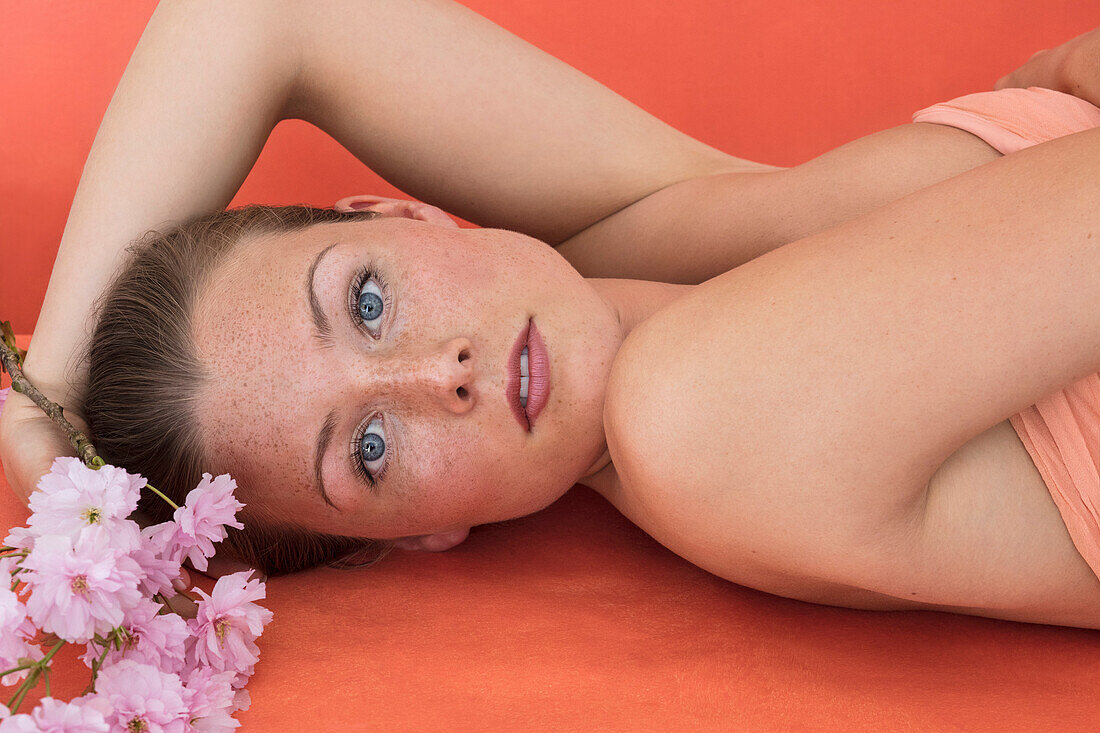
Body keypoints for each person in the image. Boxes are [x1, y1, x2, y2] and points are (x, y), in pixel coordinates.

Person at [2, 0, 1099, 628]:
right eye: (371, 450)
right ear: (418, 536)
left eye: (369, 299)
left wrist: (39, 399)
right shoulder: (696, 425)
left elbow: (259, 13)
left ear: (403, 210)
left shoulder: (655, 228)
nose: (443, 376)